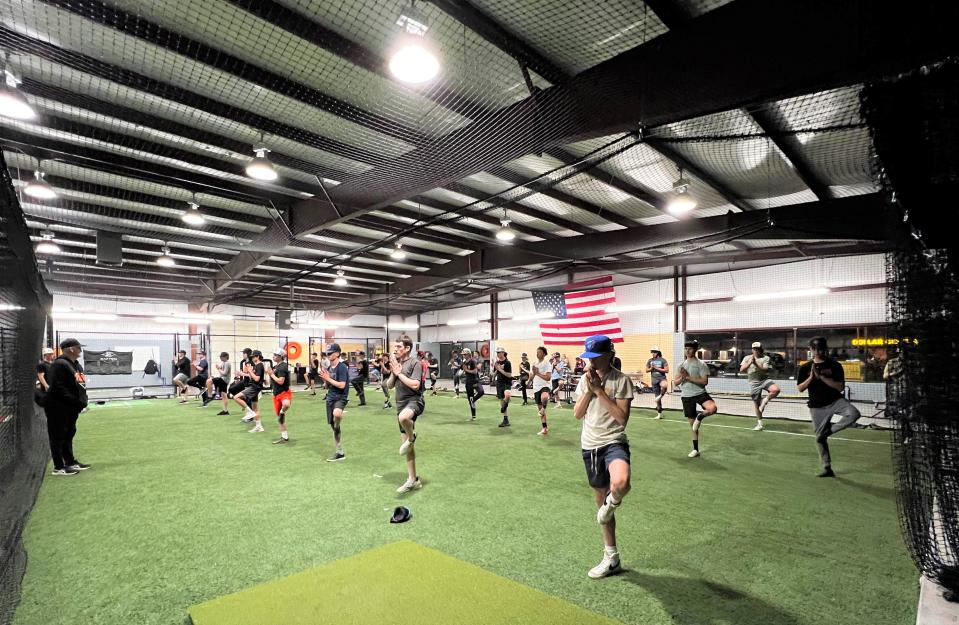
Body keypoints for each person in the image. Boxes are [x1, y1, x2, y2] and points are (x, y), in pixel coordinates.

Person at [572, 335, 634, 579]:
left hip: (614, 442)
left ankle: (612, 505)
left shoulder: (622, 381)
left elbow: (621, 418)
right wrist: (589, 389)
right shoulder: (585, 380)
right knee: (601, 498)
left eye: (596, 356)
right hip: (590, 445)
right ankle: (611, 557)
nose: (592, 361)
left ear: (609, 354)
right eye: (589, 357)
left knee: (621, 483)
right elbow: (577, 414)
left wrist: (599, 390)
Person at [797, 336, 861, 478]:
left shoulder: (835, 365)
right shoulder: (805, 367)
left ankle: (828, 432)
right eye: (815, 348)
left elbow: (840, 387)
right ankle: (827, 467)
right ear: (811, 349)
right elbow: (800, 388)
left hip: (835, 401)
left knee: (854, 414)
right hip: (817, 407)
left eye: (821, 348)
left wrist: (823, 378)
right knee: (820, 439)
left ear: (825, 349)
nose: (818, 351)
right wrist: (812, 378)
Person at [44, 338, 91, 475]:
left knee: (69, 433)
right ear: (71, 349)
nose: (80, 350)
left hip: (71, 407)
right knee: (58, 436)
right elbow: (58, 387)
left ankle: (70, 462)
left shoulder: (77, 365)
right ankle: (59, 467)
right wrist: (75, 401)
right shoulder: (58, 364)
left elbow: (82, 384)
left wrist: (83, 400)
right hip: (57, 407)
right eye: (78, 347)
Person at [387, 335, 425, 493]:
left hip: (414, 401)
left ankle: (412, 436)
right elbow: (389, 385)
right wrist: (394, 373)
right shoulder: (397, 364)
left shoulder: (415, 363)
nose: (395, 349)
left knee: (404, 417)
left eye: (399, 347)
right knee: (408, 449)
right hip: (400, 404)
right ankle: (412, 480)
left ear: (408, 348)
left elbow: (415, 385)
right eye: (395, 347)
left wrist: (400, 373)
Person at [674, 339, 717, 458]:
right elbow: (675, 383)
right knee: (693, 427)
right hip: (687, 397)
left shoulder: (701, 365)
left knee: (713, 408)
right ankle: (696, 450)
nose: (687, 351)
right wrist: (682, 378)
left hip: (700, 393)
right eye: (686, 349)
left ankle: (701, 415)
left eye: (690, 349)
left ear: (695, 349)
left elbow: (704, 382)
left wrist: (688, 377)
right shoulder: (681, 365)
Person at [740, 341, 781, 431]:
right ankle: (760, 424)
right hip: (754, 383)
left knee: (776, 390)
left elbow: (765, 370)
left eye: (757, 349)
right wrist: (750, 363)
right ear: (752, 349)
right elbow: (742, 370)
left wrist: (755, 363)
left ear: (760, 349)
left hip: (764, 380)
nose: (755, 350)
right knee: (756, 405)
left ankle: (765, 400)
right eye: (754, 349)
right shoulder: (747, 358)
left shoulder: (766, 358)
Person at [319, 343, 349, 461]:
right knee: (334, 428)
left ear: (337, 354)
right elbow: (328, 385)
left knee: (337, 414)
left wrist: (328, 379)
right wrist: (325, 381)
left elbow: (342, 385)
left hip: (340, 397)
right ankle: (339, 451)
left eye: (330, 353)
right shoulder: (329, 368)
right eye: (327, 353)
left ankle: (337, 423)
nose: (328, 355)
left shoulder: (342, 367)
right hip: (330, 397)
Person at [267, 348, 292, 444]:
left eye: (275, 355)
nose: (273, 356)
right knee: (281, 419)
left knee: (286, 404)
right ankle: (284, 437)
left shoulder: (282, 366)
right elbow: (274, 380)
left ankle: (282, 412)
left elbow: (281, 381)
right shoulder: (276, 366)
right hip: (276, 394)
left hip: (283, 392)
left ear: (281, 357)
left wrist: (271, 374)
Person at [237, 350, 265, 432]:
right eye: (252, 357)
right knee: (255, 408)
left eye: (254, 356)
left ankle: (249, 412)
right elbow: (253, 377)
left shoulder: (259, 365)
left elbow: (257, 379)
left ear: (258, 357)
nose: (252, 358)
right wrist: (247, 373)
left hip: (254, 387)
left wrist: (249, 371)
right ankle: (259, 426)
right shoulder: (257, 365)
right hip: (254, 386)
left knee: (236, 397)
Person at [531, 346, 553, 436]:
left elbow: (548, 377)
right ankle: (544, 428)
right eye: (537, 352)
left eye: (539, 352)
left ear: (544, 354)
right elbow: (532, 375)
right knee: (540, 409)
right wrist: (529, 380)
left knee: (544, 397)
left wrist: (538, 373)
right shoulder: (534, 363)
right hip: (536, 387)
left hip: (545, 385)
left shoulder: (547, 363)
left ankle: (544, 408)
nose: (537, 353)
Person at [645, 347, 669, 419]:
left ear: (658, 352)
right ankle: (659, 414)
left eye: (654, 352)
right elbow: (646, 370)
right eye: (652, 352)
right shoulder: (650, 360)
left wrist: (656, 368)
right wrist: (651, 369)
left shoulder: (663, 360)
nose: (653, 353)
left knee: (664, 385)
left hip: (661, 378)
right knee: (657, 399)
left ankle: (661, 395)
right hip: (654, 381)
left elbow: (667, 370)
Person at [461, 348, 484, 420]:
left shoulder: (473, 361)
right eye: (463, 355)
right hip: (468, 382)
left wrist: (466, 370)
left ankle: (473, 400)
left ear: (468, 354)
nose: (464, 356)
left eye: (465, 354)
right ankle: (473, 416)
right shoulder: (464, 363)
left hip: (475, 380)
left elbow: (474, 371)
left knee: (481, 391)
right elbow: (462, 370)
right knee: (470, 398)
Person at [493, 347, 513, 427]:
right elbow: (496, 371)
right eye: (497, 353)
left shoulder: (507, 363)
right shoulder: (497, 362)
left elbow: (509, 375)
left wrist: (500, 370)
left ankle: (504, 406)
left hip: (506, 382)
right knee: (501, 399)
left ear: (503, 353)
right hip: (499, 383)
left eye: (499, 352)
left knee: (507, 395)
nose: (498, 354)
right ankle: (505, 419)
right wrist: (493, 376)